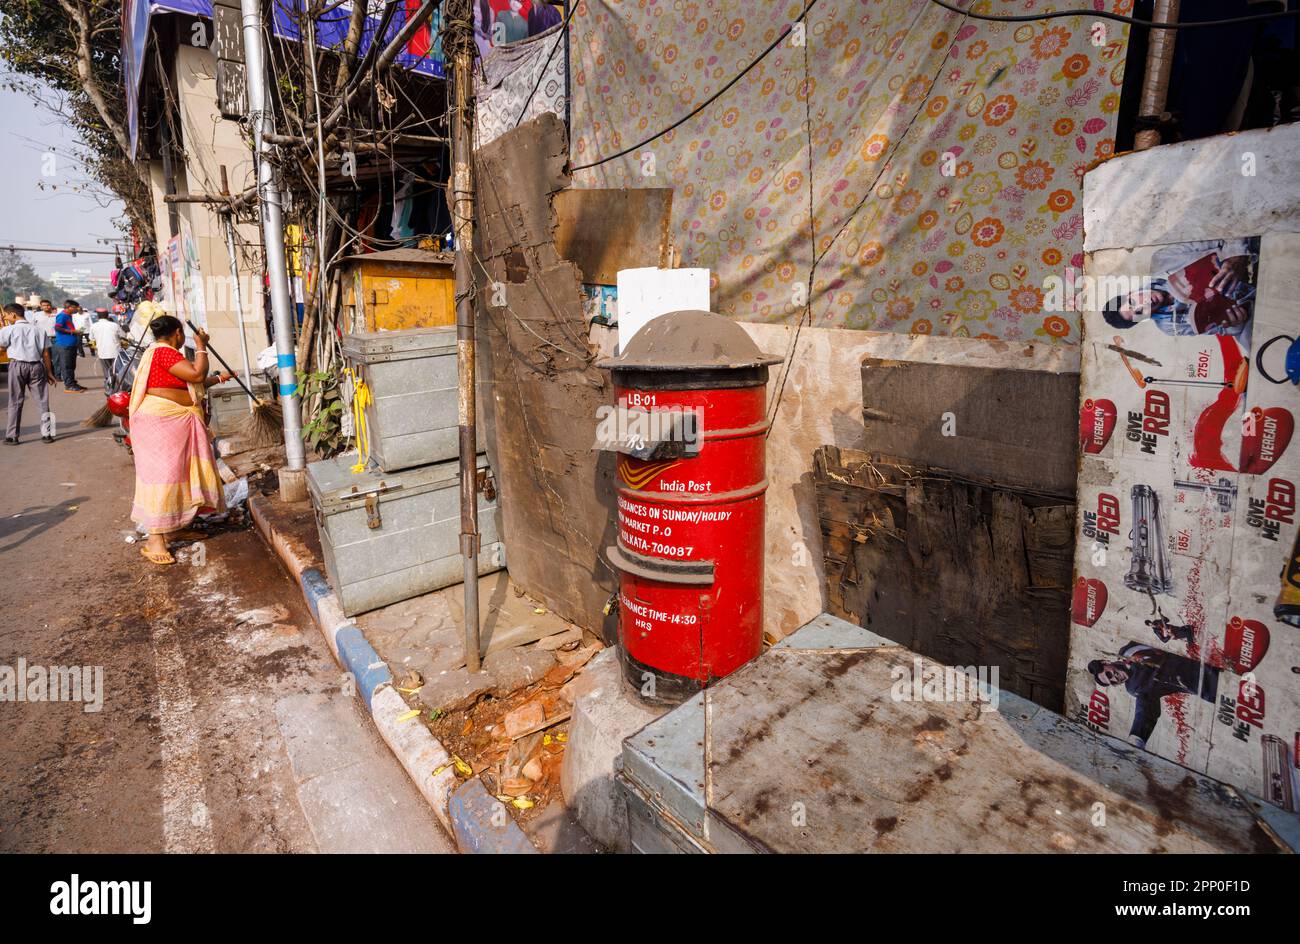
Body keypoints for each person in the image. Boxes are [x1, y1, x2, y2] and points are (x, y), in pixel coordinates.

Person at [128, 314, 232, 565]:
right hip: (161, 422)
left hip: (174, 423)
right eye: (183, 334)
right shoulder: (164, 353)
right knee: (164, 478)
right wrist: (201, 345)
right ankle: (155, 539)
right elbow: (196, 375)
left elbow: (189, 383)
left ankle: (174, 528)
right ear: (177, 333)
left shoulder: (166, 355)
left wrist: (219, 378)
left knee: (180, 476)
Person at [1088, 642, 1220, 749]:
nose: (1115, 679)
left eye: (1109, 674)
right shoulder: (1135, 687)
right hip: (1209, 687)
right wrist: (1137, 738)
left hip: (1211, 656)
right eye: (1112, 682)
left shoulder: (1127, 651)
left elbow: (1148, 650)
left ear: (1106, 663)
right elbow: (1146, 708)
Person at [0, 303, 56, 445]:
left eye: (6, 315)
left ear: (13, 315)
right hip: (37, 366)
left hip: (17, 366)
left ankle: (12, 436)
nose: (5, 317)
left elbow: (1, 348)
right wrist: (49, 372)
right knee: (42, 401)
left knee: (15, 401)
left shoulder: (7, 330)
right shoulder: (39, 330)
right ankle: (47, 434)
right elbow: (46, 353)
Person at [52, 300, 87, 392]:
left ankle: (72, 383)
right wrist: (72, 331)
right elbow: (57, 327)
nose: (77, 310)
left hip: (70, 344)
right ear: (70, 307)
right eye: (75, 308)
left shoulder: (68, 315)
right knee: (67, 366)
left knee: (71, 366)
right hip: (64, 344)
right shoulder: (62, 315)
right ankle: (69, 385)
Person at [89, 310, 126, 393]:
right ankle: (118, 388)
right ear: (108, 316)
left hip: (102, 352)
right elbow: (123, 335)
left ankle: (109, 388)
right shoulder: (114, 325)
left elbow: (91, 338)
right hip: (115, 352)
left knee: (107, 372)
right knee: (117, 371)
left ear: (98, 317)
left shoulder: (94, 326)